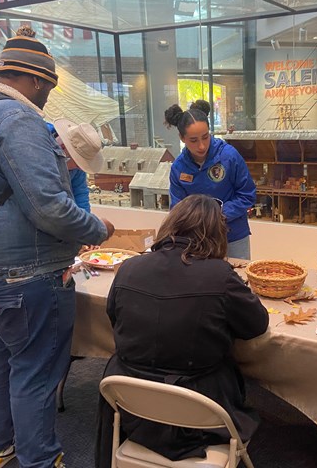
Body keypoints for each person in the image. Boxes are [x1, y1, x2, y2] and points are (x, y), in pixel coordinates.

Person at [0, 26, 115, 468]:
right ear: (38, 81)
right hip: (25, 276)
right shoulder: (19, 120)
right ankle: (40, 459)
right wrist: (99, 229)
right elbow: (49, 209)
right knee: (36, 369)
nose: (47, 99)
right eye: (48, 89)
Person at [95, 194, 268, 468]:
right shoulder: (220, 275)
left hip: (132, 408)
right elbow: (257, 325)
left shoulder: (128, 268)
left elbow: (114, 318)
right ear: (217, 233)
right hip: (202, 412)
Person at [166, 100, 256, 260]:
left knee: (238, 279)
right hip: (197, 240)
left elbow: (247, 195)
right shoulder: (178, 168)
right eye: (193, 140)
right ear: (182, 138)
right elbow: (177, 208)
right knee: (204, 282)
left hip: (233, 235)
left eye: (205, 137)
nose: (201, 146)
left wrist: (217, 215)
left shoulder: (229, 156)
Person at [53, 118, 105, 212]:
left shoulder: (76, 167)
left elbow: (80, 194)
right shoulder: (37, 145)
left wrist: (87, 223)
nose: (79, 168)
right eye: (78, 164)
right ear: (63, 148)